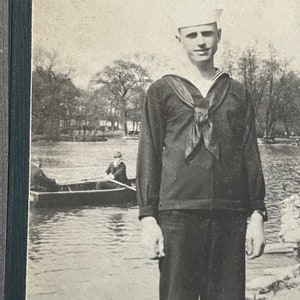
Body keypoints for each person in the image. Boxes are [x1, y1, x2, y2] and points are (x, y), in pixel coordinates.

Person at [136, 3, 267, 300]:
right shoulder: (161, 90)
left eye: (206, 33)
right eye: (192, 35)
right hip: (177, 218)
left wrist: (256, 215)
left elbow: (250, 155)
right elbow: (149, 154)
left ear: (218, 35)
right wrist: (148, 218)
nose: (200, 41)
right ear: (179, 39)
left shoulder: (237, 92)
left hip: (229, 217)